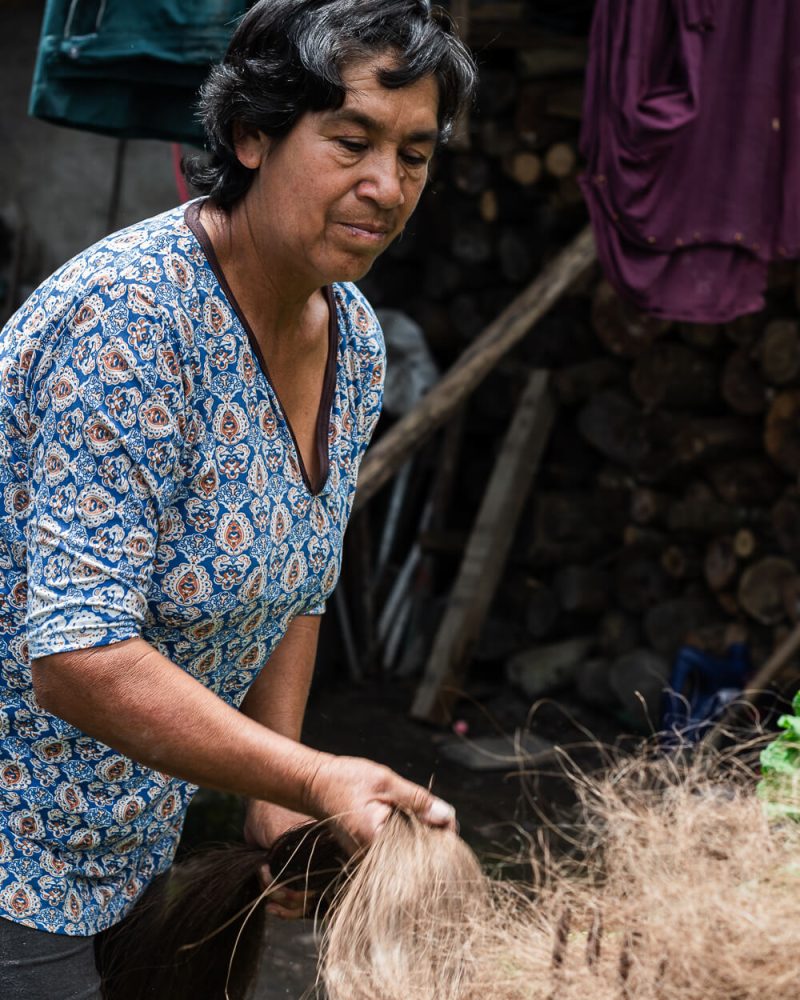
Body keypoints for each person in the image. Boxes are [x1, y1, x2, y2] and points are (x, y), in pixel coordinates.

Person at [0, 1, 477, 995]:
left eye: (417, 156)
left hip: (127, 831)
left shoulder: (346, 332)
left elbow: (298, 579)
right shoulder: (133, 319)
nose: (386, 186)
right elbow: (78, 658)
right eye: (351, 141)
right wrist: (306, 777)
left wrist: (274, 783)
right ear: (250, 134)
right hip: (16, 846)